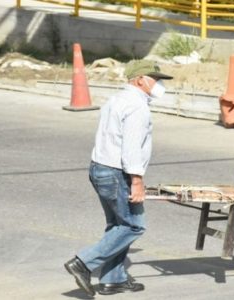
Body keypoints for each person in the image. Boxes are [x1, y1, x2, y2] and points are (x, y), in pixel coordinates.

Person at [64, 60, 173, 296]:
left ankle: (113, 279)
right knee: (134, 225)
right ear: (140, 80)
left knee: (118, 225)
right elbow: (131, 149)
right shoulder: (137, 107)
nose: (159, 84)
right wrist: (137, 182)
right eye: (155, 79)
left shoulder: (117, 99)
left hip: (100, 169)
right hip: (117, 173)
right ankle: (83, 263)